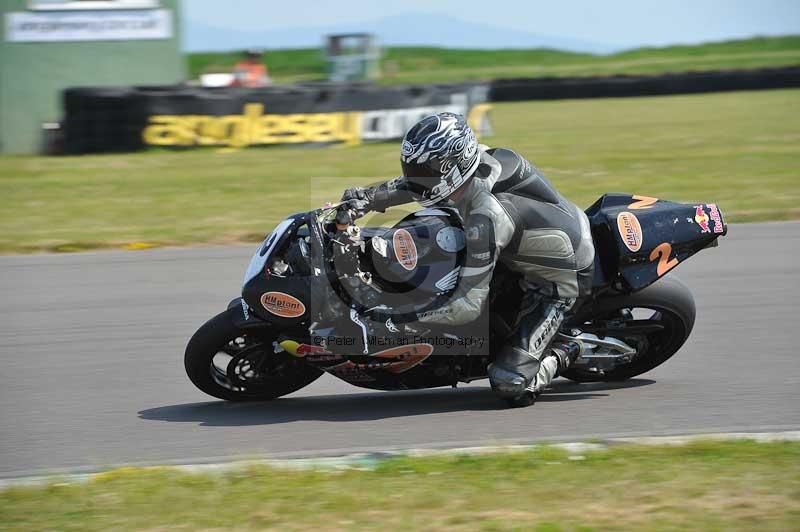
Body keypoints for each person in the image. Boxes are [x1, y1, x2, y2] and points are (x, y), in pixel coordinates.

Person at [340, 113, 595, 407]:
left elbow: (466, 307)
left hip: (559, 283)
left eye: (426, 170)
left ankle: (569, 348)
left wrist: (397, 316)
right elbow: (418, 184)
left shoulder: (487, 217)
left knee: (509, 383)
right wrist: (368, 197)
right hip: (526, 245)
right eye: (412, 167)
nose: (416, 176)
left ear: (454, 166)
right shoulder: (479, 161)